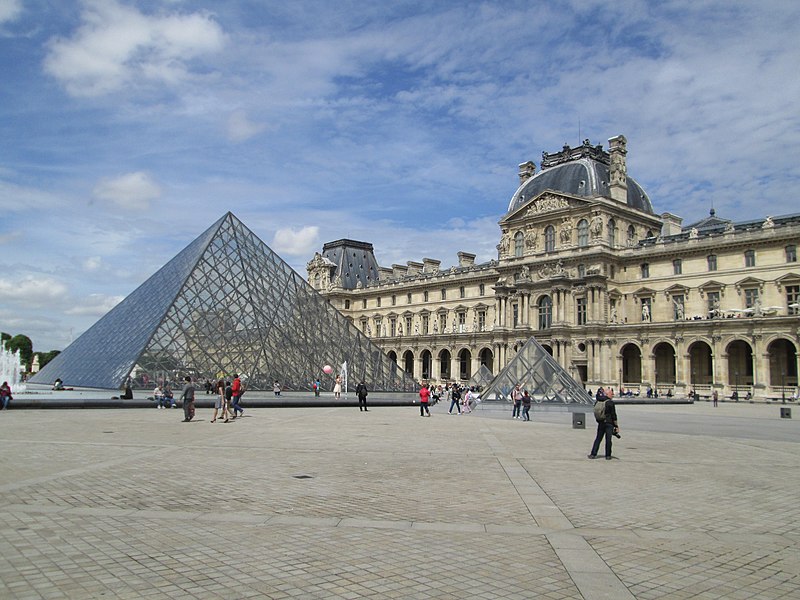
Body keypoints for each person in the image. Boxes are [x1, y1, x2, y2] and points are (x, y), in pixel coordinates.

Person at [589, 391, 619, 460]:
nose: (613, 395)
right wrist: (616, 425)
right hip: (609, 423)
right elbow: (613, 415)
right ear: (607, 394)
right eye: (611, 394)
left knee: (598, 439)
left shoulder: (598, 401)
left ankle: (593, 454)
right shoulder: (610, 402)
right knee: (608, 440)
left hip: (601, 422)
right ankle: (608, 455)